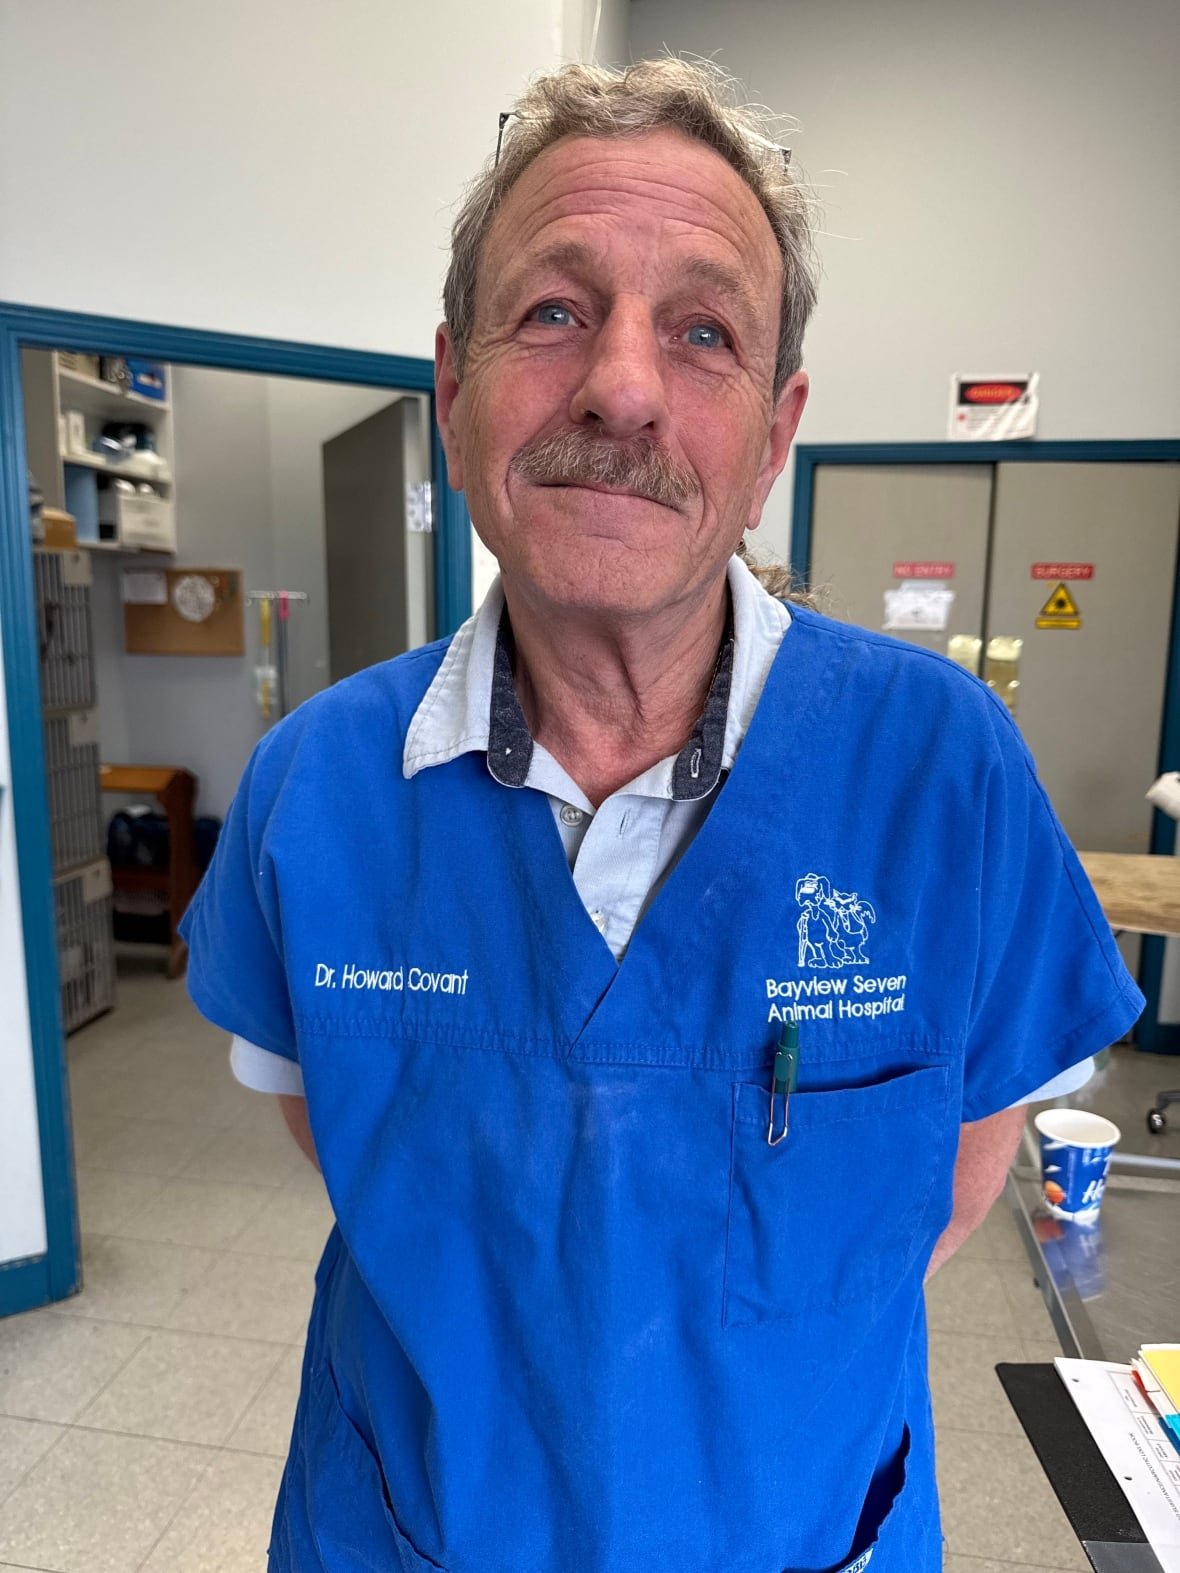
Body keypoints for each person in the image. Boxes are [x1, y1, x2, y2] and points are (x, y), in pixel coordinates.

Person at [181, 58, 1143, 1573]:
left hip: (807, 1529)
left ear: (774, 435)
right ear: (452, 388)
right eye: (555, 310)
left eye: (703, 332)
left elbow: (959, 1176)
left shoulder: (943, 771)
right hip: (410, 1526)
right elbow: (345, 1136)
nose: (623, 386)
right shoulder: (316, 796)